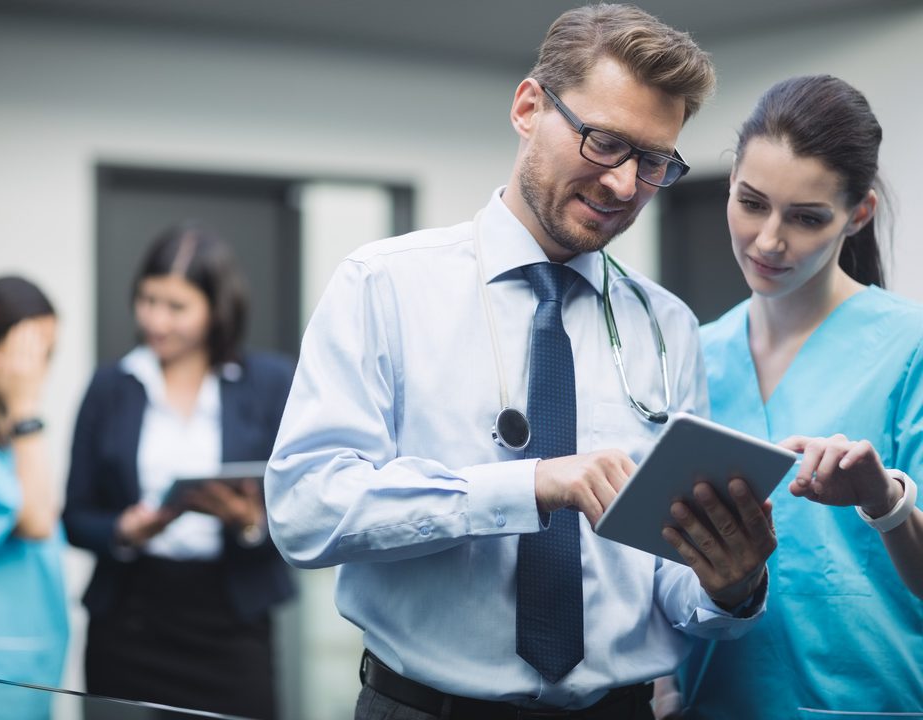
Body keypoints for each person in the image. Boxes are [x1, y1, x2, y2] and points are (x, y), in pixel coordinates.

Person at [265, 5, 778, 719]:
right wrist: (526, 486)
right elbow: (306, 511)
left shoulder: (666, 327)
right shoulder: (385, 284)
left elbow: (667, 588)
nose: (626, 186)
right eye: (604, 143)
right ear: (529, 107)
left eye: (653, 161)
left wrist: (728, 585)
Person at [665, 75, 923, 718]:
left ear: (857, 214)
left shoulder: (908, 347)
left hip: (864, 700)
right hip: (712, 701)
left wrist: (884, 502)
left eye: (807, 218)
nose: (769, 241)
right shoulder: (693, 352)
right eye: (752, 203)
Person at [63, 223, 296, 720]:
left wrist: (249, 522)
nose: (155, 320)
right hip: (129, 619)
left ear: (217, 310)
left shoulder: (270, 384)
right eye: (147, 300)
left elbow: (304, 511)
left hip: (231, 621)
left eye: (176, 307)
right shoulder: (111, 386)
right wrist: (123, 530)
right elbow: (76, 515)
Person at [0, 276, 68, 719]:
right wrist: (27, 411)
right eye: (30, 352)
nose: (39, 370)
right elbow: (35, 521)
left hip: (31, 665)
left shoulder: (4, 443)